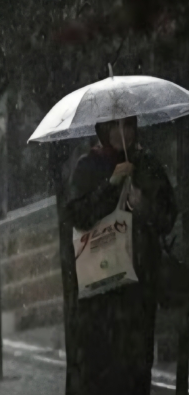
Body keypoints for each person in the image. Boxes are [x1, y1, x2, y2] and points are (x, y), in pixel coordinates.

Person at [66, 116, 177, 395]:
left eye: (128, 125)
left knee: (136, 372)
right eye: (114, 126)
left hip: (138, 292)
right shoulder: (88, 167)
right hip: (101, 294)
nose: (122, 133)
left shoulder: (146, 165)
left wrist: (144, 207)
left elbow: (166, 217)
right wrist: (111, 185)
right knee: (102, 374)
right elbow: (79, 216)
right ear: (102, 128)